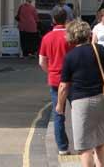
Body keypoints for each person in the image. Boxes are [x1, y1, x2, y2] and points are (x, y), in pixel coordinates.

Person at [57, 19, 104, 167]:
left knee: (85, 147)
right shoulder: (99, 49)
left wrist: (60, 106)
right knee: (101, 141)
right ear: (88, 34)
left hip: (81, 103)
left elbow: (63, 86)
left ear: (72, 36)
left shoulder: (70, 57)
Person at [39, 8, 72, 155]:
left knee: (58, 113)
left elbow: (42, 62)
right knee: (79, 112)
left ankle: (62, 147)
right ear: (66, 20)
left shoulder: (46, 38)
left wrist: (51, 71)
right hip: (73, 79)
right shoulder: (71, 36)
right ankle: (83, 144)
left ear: (53, 20)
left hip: (55, 80)